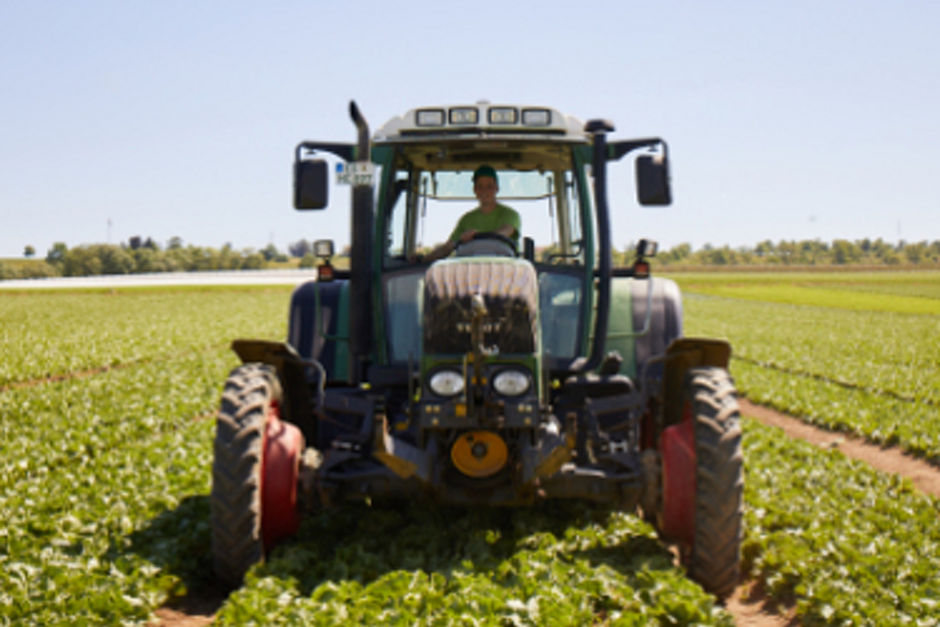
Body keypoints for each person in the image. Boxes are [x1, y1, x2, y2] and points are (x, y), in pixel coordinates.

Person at [422, 165, 521, 262]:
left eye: (489, 186)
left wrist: (474, 238)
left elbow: (505, 231)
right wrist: (423, 259)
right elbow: (448, 247)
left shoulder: (510, 214)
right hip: (469, 271)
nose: (484, 190)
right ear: (475, 190)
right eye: (480, 186)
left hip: (504, 269)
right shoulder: (466, 219)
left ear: (496, 188)